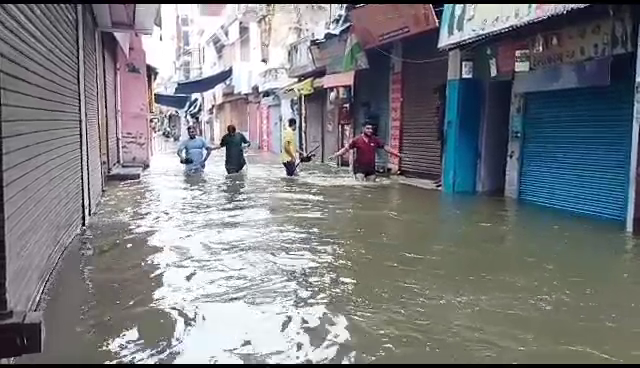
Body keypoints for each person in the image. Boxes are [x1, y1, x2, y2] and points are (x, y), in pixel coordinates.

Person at [330, 121, 401, 182]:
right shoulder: (357, 140)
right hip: (359, 167)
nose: (370, 130)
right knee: (360, 187)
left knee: (370, 186)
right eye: (367, 128)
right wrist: (335, 155)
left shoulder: (375, 140)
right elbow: (346, 149)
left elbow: (386, 147)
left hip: (371, 168)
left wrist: (397, 154)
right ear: (363, 128)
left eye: (371, 129)